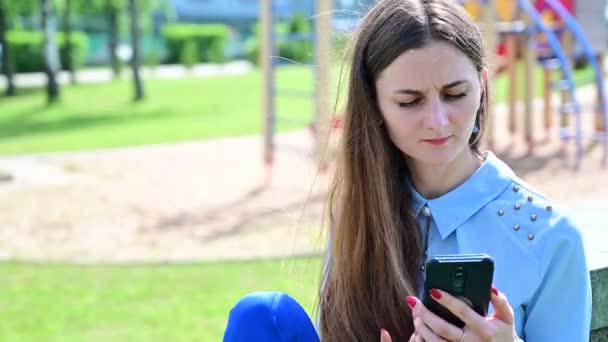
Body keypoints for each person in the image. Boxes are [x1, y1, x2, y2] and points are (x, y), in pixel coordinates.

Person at [223, 0, 592, 341]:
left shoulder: (549, 234)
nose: (437, 120)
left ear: (482, 86)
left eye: (455, 94)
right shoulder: (358, 207)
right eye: (410, 101)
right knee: (261, 314)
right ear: (375, 105)